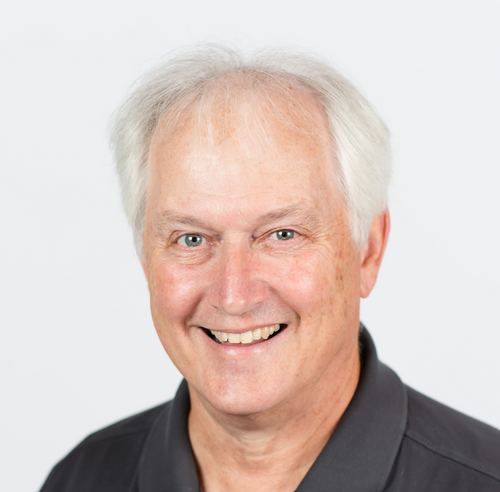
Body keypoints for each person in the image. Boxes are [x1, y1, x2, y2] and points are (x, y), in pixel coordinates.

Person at [40, 46, 500, 492]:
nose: (234, 296)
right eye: (191, 239)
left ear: (368, 251)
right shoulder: (80, 479)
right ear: (146, 260)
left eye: (283, 235)